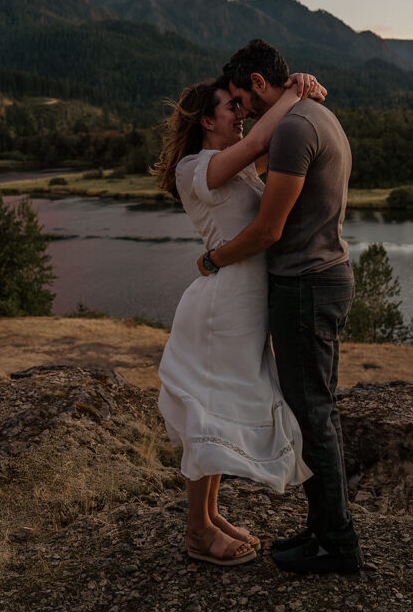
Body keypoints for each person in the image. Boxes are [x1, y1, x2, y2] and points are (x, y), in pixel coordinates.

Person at [197, 39, 363, 575]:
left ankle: (337, 542)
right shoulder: (317, 115)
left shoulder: (294, 129)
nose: (241, 113)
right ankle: (323, 528)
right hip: (322, 278)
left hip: (305, 286)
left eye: (242, 101)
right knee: (317, 408)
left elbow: (269, 228)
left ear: (260, 85)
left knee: (314, 412)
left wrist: (214, 259)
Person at [153, 71, 324, 566]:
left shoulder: (233, 166)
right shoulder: (196, 167)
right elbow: (262, 140)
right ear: (206, 119)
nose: (241, 112)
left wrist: (295, 97)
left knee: (218, 413)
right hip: (219, 310)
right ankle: (197, 533)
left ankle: (208, 517)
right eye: (232, 105)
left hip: (241, 307)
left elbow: (280, 147)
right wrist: (294, 91)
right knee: (208, 412)